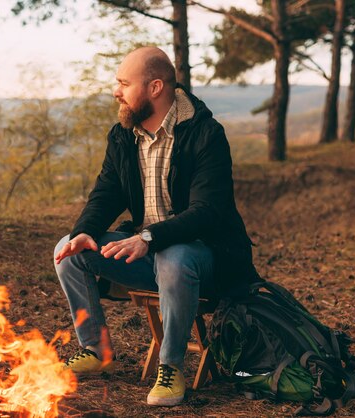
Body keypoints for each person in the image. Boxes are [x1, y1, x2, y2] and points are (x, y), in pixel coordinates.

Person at [53, 46, 260, 406]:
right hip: (148, 254)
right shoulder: (123, 135)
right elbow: (106, 193)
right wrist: (85, 230)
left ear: (155, 87)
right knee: (68, 252)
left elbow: (208, 211)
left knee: (174, 257)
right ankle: (95, 348)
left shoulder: (204, 134)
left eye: (123, 83)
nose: (116, 91)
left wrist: (148, 237)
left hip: (205, 260)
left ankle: (171, 368)